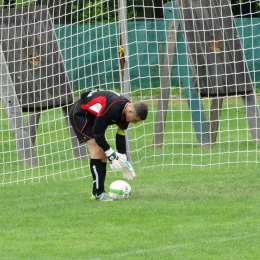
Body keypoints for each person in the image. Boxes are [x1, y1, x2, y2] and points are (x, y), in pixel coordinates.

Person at [69, 90, 148, 201]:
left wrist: (123, 158)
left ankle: (99, 191)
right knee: (97, 150)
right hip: (81, 114)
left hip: (93, 116)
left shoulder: (126, 112)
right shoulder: (113, 108)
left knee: (104, 154)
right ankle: (98, 193)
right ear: (130, 111)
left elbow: (121, 136)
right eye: (135, 120)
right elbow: (97, 133)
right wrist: (110, 153)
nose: (134, 123)